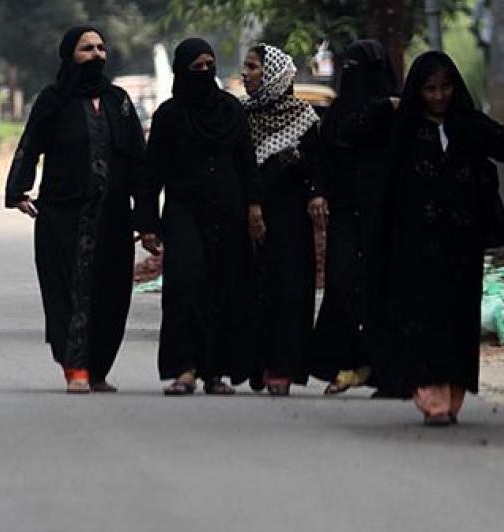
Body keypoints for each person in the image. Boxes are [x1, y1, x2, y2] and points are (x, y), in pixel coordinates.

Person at [372, 51, 504, 425]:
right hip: (414, 246)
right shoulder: (403, 133)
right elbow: (385, 188)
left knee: (456, 321)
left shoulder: (467, 126)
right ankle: (429, 396)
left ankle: (452, 394)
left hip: (462, 246)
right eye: (430, 89)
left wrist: (477, 129)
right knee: (421, 320)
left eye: (445, 88)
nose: (439, 96)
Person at [4, 26, 146, 393]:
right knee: (67, 290)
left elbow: (138, 161)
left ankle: (97, 369)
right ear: (70, 56)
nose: (97, 55)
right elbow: (30, 144)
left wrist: (146, 218)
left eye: (101, 48)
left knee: (112, 294)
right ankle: (75, 367)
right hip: (62, 215)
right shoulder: (53, 100)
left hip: (114, 218)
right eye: (87, 49)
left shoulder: (119, 101)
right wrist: (18, 189)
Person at [136, 38, 264, 396]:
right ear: (182, 71)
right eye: (197, 67)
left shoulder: (231, 111)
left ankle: (215, 372)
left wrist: (254, 208)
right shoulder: (169, 116)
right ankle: (184, 369)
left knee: (223, 289)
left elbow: (246, 163)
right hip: (183, 213)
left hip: (228, 212)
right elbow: (151, 174)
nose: (205, 72)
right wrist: (147, 223)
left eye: (210, 65)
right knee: (184, 287)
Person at [309, 39, 398, 395]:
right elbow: (326, 152)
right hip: (346, 213)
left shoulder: (400, 114)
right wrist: (317, 192)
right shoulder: (343, 113)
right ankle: (345, 364)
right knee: (342, 286)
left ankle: (380, 369)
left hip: (387, 216)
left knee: (382, 292)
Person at [241, 44, 324, 396]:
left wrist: (311, 185)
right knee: (253, 289)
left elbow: (318, 167)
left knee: (289, 289)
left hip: (290, 219)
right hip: (247, 216)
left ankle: (283, 366)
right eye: (245, 67)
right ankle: (255, 363)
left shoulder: (304, 118)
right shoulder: (239, 116)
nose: (246, 74)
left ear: (272, 74)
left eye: (253, 67)